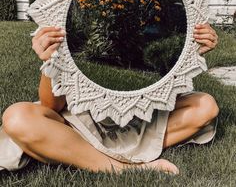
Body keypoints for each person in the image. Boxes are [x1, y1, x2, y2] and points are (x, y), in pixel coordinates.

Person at [1, 23, 219, 175]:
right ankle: (123, 168)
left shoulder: (151, 22)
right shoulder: (63, 22)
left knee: (206, 106)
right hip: (78, 123)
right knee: (17, 118)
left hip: (137, 119)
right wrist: (51, 62)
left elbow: (162, 90)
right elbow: (52, 106)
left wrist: (190, 52)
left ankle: (78, 153)